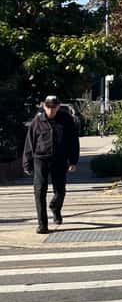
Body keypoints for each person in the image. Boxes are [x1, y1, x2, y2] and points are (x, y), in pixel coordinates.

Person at [22, 95, 80, 234]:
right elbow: (30, 142)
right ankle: (42, 225)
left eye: (54, 107)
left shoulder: (66, 120)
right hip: (40, 159)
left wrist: (73, 161)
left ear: (58, 107)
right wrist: (27, 163)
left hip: (59, 159)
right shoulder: (37, 121)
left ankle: (55, 208)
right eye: (48, 107)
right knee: (39, 191)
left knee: (60, 191)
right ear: (44, 106)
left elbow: (73, 141)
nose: (51, 110)